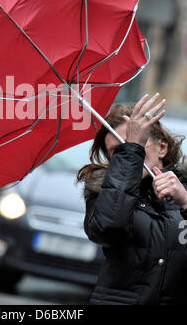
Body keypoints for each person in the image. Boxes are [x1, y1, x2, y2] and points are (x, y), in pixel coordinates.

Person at [77, 93, 187, 305]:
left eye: (136, 143)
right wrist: (132, 148)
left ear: (162, 148)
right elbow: (108, 229)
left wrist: (185, 202)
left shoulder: (184, 191)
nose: (128, 152)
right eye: (116, 151)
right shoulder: (102, 191)